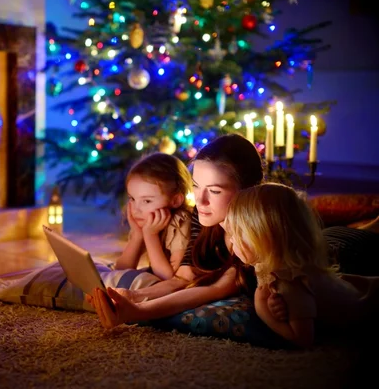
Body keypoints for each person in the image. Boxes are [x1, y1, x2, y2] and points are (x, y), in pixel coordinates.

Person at [88, 133, 284, 328]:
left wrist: (138, 311)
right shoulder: (202, 220)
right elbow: (182, 278)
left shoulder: (254, 235)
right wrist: (132, 296)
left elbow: (216, 289)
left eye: (215, 191)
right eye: (196, 186)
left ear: (248, 190)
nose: (200, 200)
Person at [222, 182, 379, 348]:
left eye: (237, 234)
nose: (231, 241)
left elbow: (302, 338)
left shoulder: (289, 280)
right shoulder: (278, 265)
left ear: (262, 237)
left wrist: (262, 308)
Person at [113, 152, 193, 281]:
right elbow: (121, 271)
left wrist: (150, 236)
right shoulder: (147, 222)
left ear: (175, 201)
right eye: (132, 198)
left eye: (147, 201)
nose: (136, 208)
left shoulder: (181, 222)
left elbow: (167, 277)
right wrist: (138, 236)